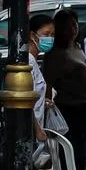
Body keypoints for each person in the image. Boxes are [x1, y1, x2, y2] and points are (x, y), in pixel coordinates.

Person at [43, 10, 86, 170]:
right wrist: (48, 109)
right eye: (67, 25)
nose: (72, 29)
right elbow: (47, 85)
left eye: (74, 24)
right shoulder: (56, 55)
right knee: (73, 154)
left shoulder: (78, 48)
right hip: (69, 109)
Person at [28, 14, 53, 144]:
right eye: (46, 34)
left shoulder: (34, 61)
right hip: (31, 132)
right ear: (33, 36)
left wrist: (43, 102)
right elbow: (26, 102)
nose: (50, 39)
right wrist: (38, 130)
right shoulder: (29, 62)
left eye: (52, 35)